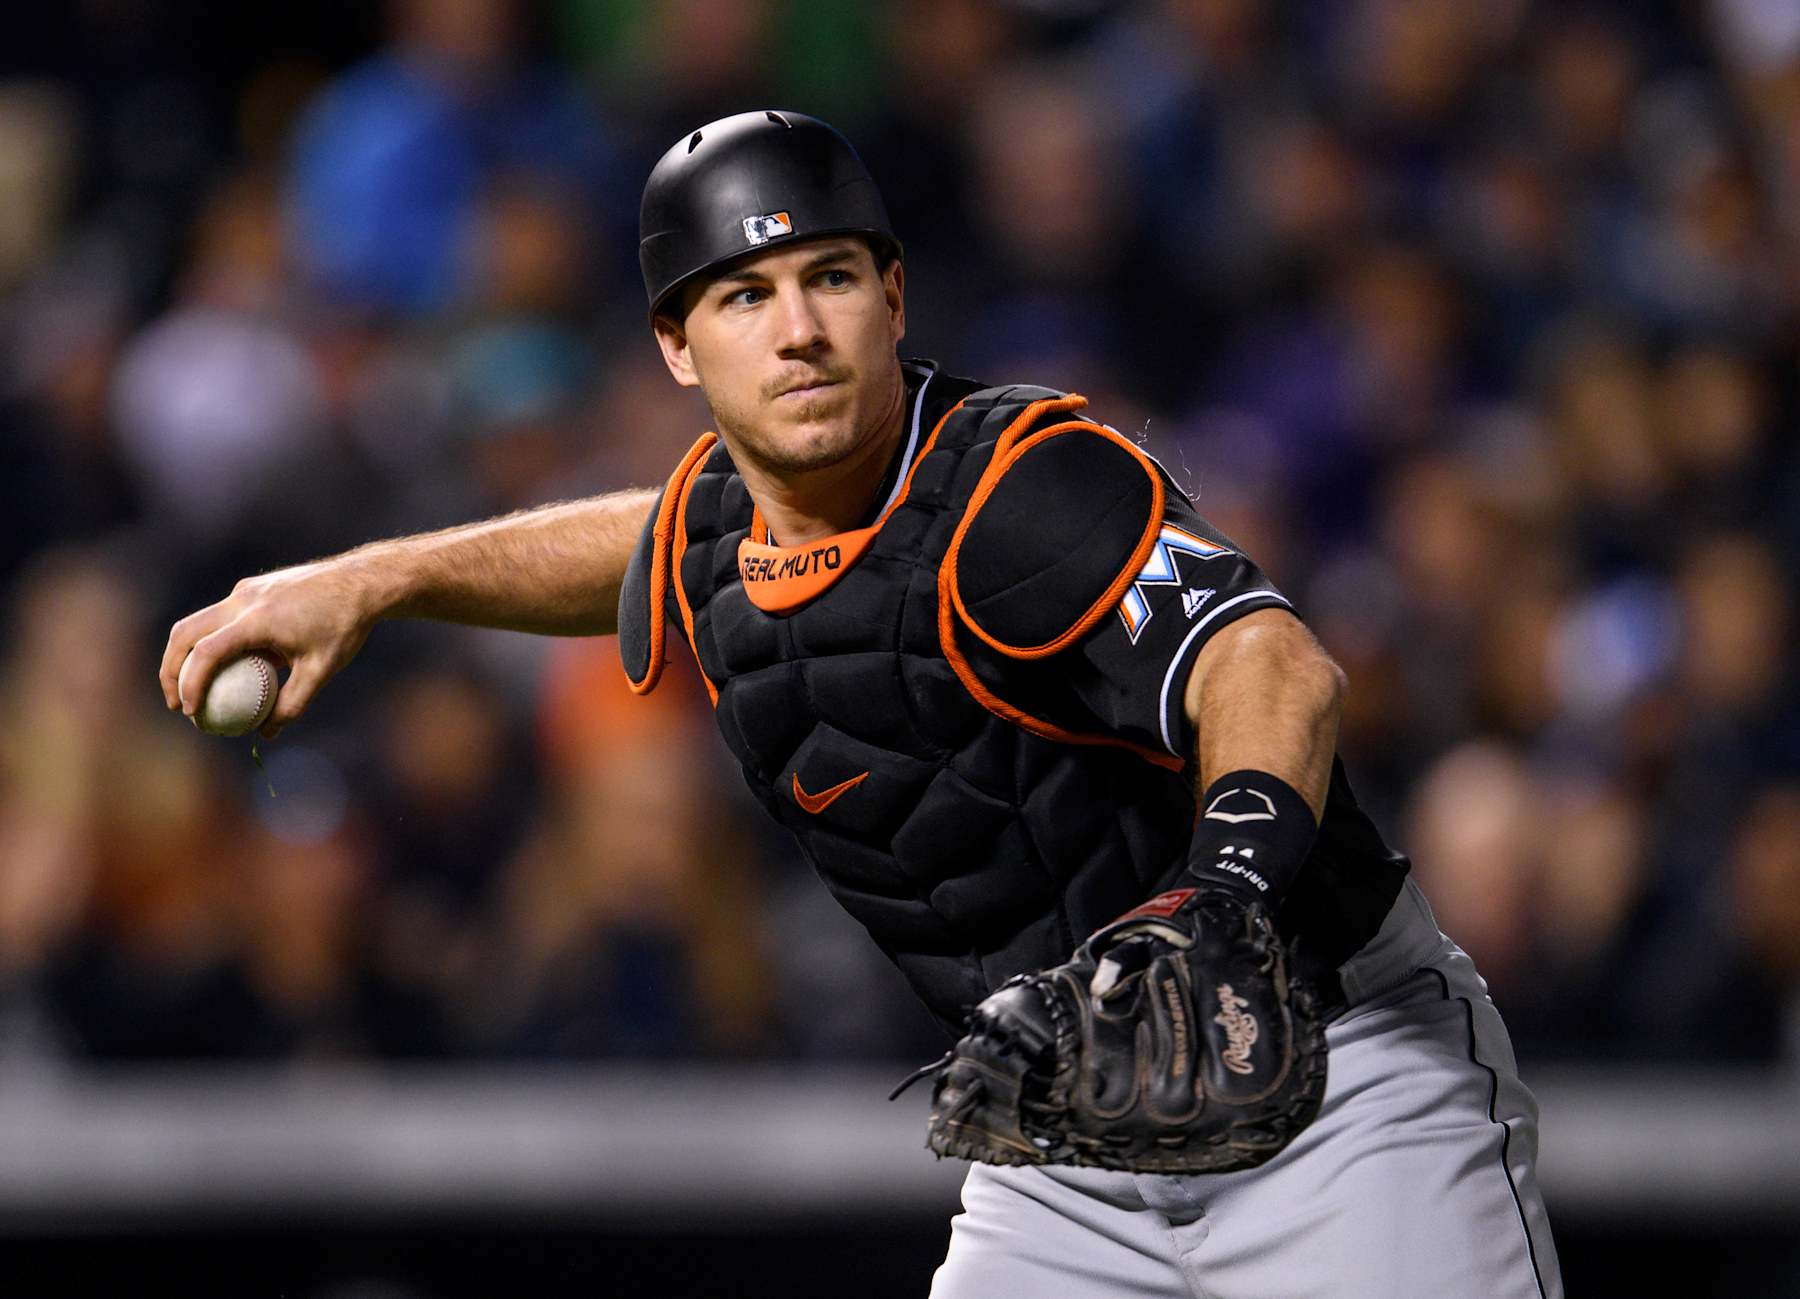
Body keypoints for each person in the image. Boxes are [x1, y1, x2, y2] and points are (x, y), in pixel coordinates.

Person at [163, 111, 1561, 1297]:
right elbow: (633, 543)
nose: (799, 331)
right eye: (745, 296)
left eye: (831, 278)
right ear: (677, 347)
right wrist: (369, 581)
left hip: (1335, 1078)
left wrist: (1225, 896)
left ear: (894, 296)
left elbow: (1272, 666)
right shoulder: (718, 529)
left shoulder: (1021, 481)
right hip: (1070, 1141)